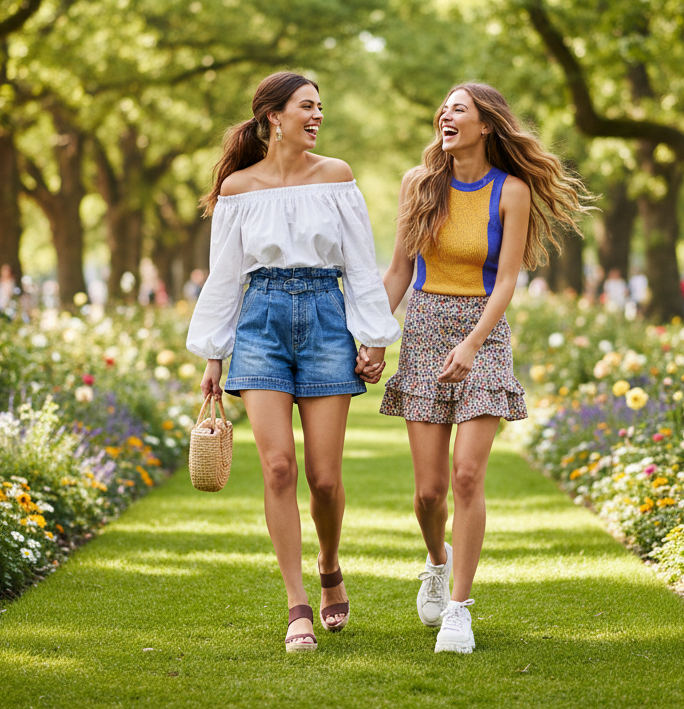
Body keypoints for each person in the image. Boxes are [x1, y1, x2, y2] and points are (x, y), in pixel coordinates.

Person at [187, 72, 399, 653]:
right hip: (260, 324)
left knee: (324, 478)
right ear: (273, 116)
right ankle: (297, 604)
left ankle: (329, 564)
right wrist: (213, 355)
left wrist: (375, 337)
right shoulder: (237, 188)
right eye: (308, 106)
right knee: (278, 467)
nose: (318, 116)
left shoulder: (337, 176)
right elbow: (225, 277)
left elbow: (360, 264)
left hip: (327, 319)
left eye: (321, 107)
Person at [378, 83, 591, 654]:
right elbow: (398, 271)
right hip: (424, 330)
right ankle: (436, 562)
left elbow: (506, 281)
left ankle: (459, 610)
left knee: (468, 476)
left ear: (487, 125)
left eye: (460, 109)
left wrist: (473, 343)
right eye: (444, 107)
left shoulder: (511, 190)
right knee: (429, 494)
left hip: (484, 335)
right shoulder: (418, 184)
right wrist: (372, 336)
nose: (446, 115)